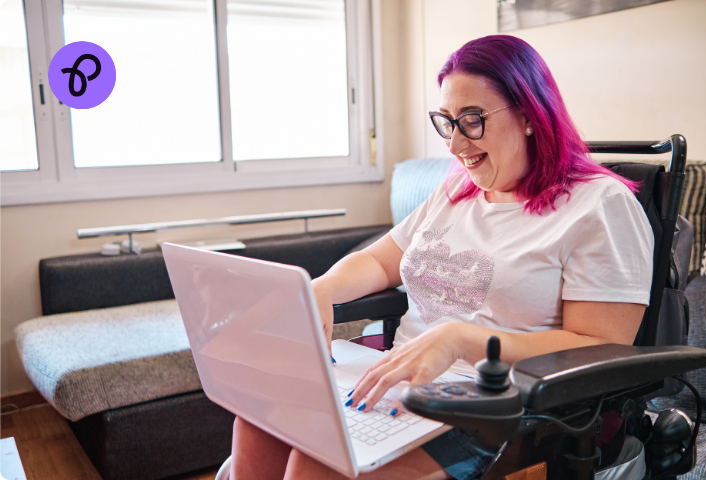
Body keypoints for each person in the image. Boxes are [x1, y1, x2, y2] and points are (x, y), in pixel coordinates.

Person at [229, 35, 654, 480]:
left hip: (501, 410)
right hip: (403, 385)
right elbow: (379, 261)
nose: (454, 145)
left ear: (529, 116)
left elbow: (601, 347)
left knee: (314, 465)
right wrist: (321, 289)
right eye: (447, 121)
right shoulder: (456, 191)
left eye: (472, 120)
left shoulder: (599, 205)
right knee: (258, 422)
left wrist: (461, 339)